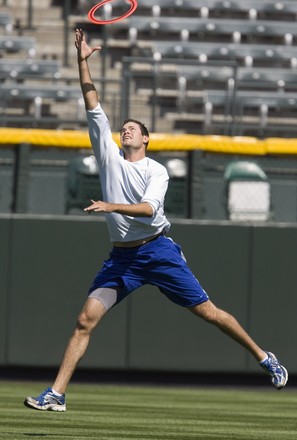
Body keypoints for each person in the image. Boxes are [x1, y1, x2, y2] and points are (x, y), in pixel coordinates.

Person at [24, 29, 288, 412]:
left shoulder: (156, 171)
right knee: (85, 320)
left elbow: (148, 211)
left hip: (157, 252)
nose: (125, 129)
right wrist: (82, 60)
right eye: (123, 127)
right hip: (122, 259)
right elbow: (90, 99)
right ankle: (57, 394)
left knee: (209, 313)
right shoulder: (109, 157)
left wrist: (112, 206)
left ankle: (265, 357)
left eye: (133, 128)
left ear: (146, 138)